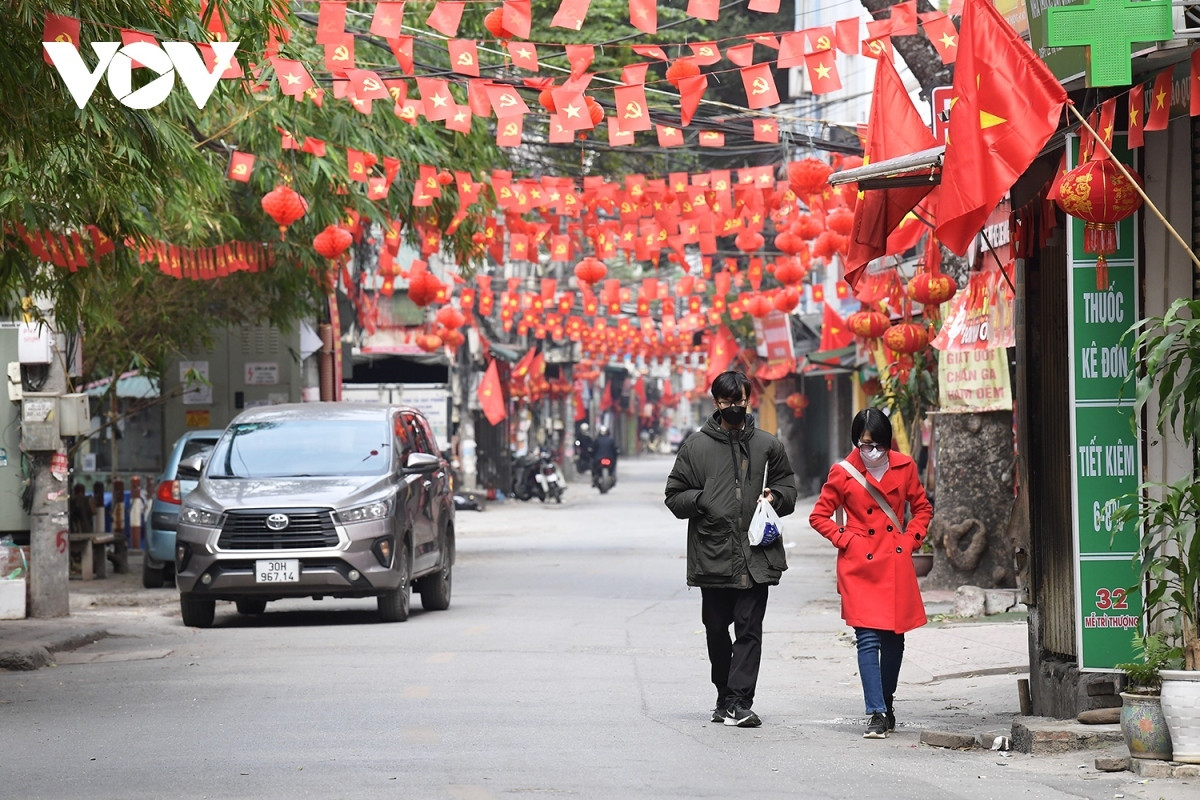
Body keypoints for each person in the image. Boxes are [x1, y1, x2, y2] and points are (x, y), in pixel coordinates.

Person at [664, 370, 796, 728]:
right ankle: (724, 696)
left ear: (748, 400)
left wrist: (776, 496)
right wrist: (703, 500)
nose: (735, 408)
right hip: (713, 554)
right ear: (716, 403)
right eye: (727, 402)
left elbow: (788, 487)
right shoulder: (695, 447)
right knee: (716, 630)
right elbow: (674, 496)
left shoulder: (768, 445)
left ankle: (740, 701)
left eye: (740, 400)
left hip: (756, 555)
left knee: (750, 629)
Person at [808, 407, 933, 739]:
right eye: (866, 444)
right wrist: (845, 539)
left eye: (878, 444)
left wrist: (910, 541)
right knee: (867, 638)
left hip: (894, 560)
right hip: (859, 564)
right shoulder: (843, 472)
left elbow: (922, 508)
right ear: (856, 443)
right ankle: (876, 711)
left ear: (888, 441)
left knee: (894, 639)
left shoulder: (905, 466)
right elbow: (819, 516)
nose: (873, 451)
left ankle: (887, 703)